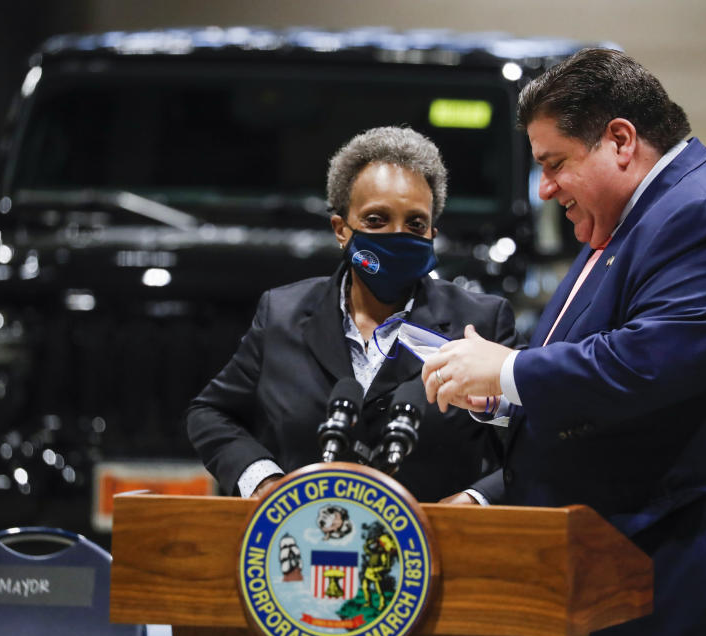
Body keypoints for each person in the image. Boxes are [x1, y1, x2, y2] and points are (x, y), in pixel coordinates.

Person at [422, 49, 706, 636]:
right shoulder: (631, 213)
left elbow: (642, 365)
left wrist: (507, 371)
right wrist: (501, 395)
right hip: (671, 548)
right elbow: (589, 351)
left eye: (554, 163)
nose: (545, 188)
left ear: (620, 140)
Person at [187, 126, 517, 503]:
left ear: (432, 232)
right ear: (341, 229)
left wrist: (476, 499)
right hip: (305, 544)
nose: (398, 235)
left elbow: (535, 441)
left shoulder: (480, 324)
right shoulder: (281, 314)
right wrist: (262, 481)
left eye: (415, 224)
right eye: (377, 220)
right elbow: (210, 413)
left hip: (434, 550)